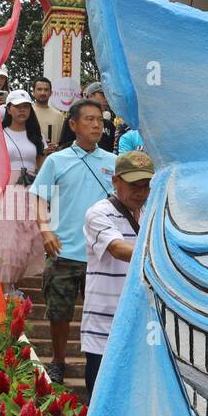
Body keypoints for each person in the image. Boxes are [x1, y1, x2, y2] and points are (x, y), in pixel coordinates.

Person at [29, 99, 117, 385]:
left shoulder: (113, 163)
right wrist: (45, 231)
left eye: (99, 121)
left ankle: (104, 365)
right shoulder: (57, 160)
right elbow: (38, 197)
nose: (95, 125)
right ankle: (57, 361)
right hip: (64, 250)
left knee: (105, 314)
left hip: (104, 254)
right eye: (89, 119)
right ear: (73, 124)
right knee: (59, 313)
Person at [81, 150, 154, 393]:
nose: (141, 192)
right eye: (134, 185)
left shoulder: (149, 214)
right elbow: (117, 248)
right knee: (101, 397)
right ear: (115, 181)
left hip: (140, 322)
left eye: (146, 186)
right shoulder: (99, 213)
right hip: (104, 326)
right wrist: (164, 257)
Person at [0, 90, 45, 299]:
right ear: (9, 109)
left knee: (27, 239)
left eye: (26, 106)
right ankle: (3, 288)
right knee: (7, 238)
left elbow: (41, 164)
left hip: (30, 191)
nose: (22, 110)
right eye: (18, 106)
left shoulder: (35, 136)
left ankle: (13, 285)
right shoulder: (0, 133)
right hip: (6, 190)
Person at [58, 82, 116, 152]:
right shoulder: (75, 118)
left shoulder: (110, 125)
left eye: (108, 95)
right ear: (90, 96)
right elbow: (64, 145)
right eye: (103, 95)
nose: (106, 99)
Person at [30, 77, 65, 152]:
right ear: (33, 91)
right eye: (39, 89)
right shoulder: (28, 112)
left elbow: (62, 142)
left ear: (51, 93)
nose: (43, 93)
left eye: (46, 90)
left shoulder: (58, 115)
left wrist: (56, 147)